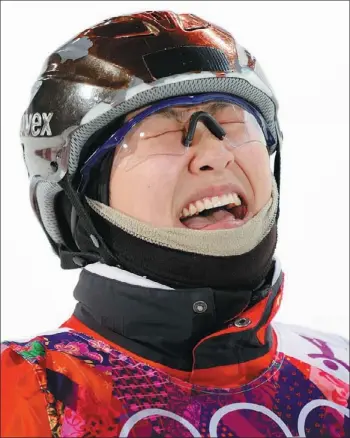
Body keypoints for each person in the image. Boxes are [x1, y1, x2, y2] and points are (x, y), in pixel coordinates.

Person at [1, 10, 349, 438]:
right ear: (77, 204)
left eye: (233, 120)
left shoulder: (340, 369)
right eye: (162, 130)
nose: (216, 154)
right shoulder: (25, 393)